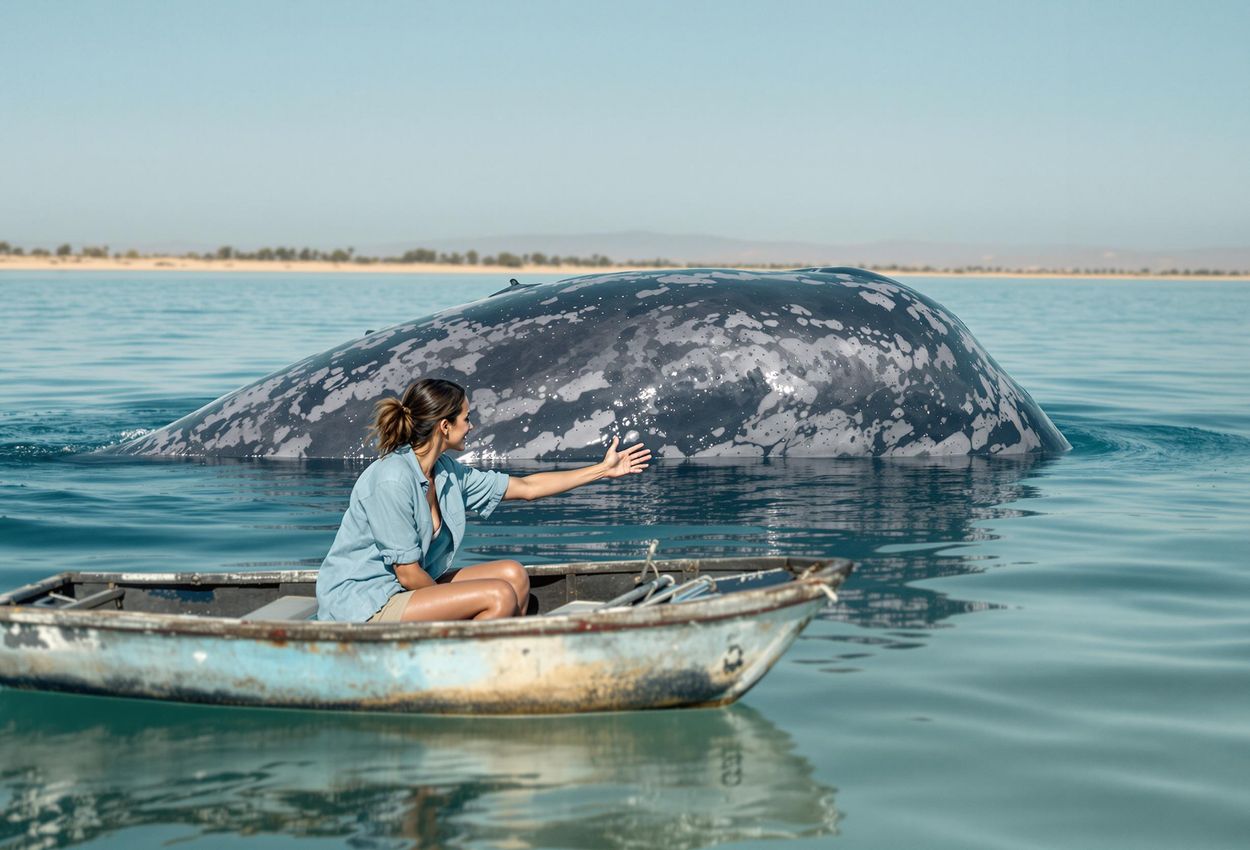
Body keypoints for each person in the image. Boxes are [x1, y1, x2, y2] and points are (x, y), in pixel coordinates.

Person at [316, 378, 651, 623]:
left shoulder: (446, 472)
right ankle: (463, 671)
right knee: (497, 594)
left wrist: (603, 471)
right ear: (444, 427)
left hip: (404, 589)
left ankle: (495, 658)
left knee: (513, 575)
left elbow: (527, 487)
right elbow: (406, 574)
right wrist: (452, 606)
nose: (471, 425)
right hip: (366, 602)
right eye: (466, 417)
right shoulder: (392, 479)